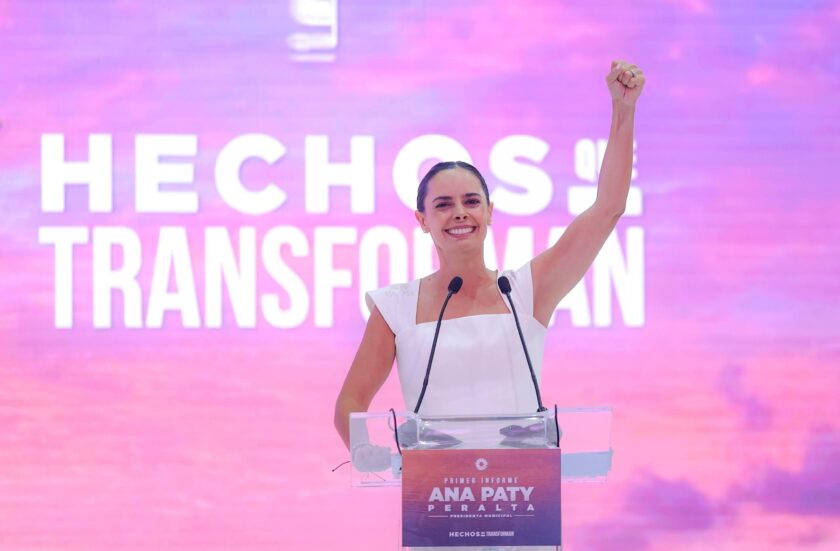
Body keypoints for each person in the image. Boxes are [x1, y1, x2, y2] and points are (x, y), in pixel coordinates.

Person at [335, 60, 645, 452]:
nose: (460, 213)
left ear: (489, 212)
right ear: (422, 220)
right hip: (434, 488)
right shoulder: (396, 307)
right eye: (443, 205)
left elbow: (608, 208)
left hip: (523, 485)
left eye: (471, 202)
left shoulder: (527, 292)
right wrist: (370, 454)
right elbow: (350, 402)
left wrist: (623, 110)